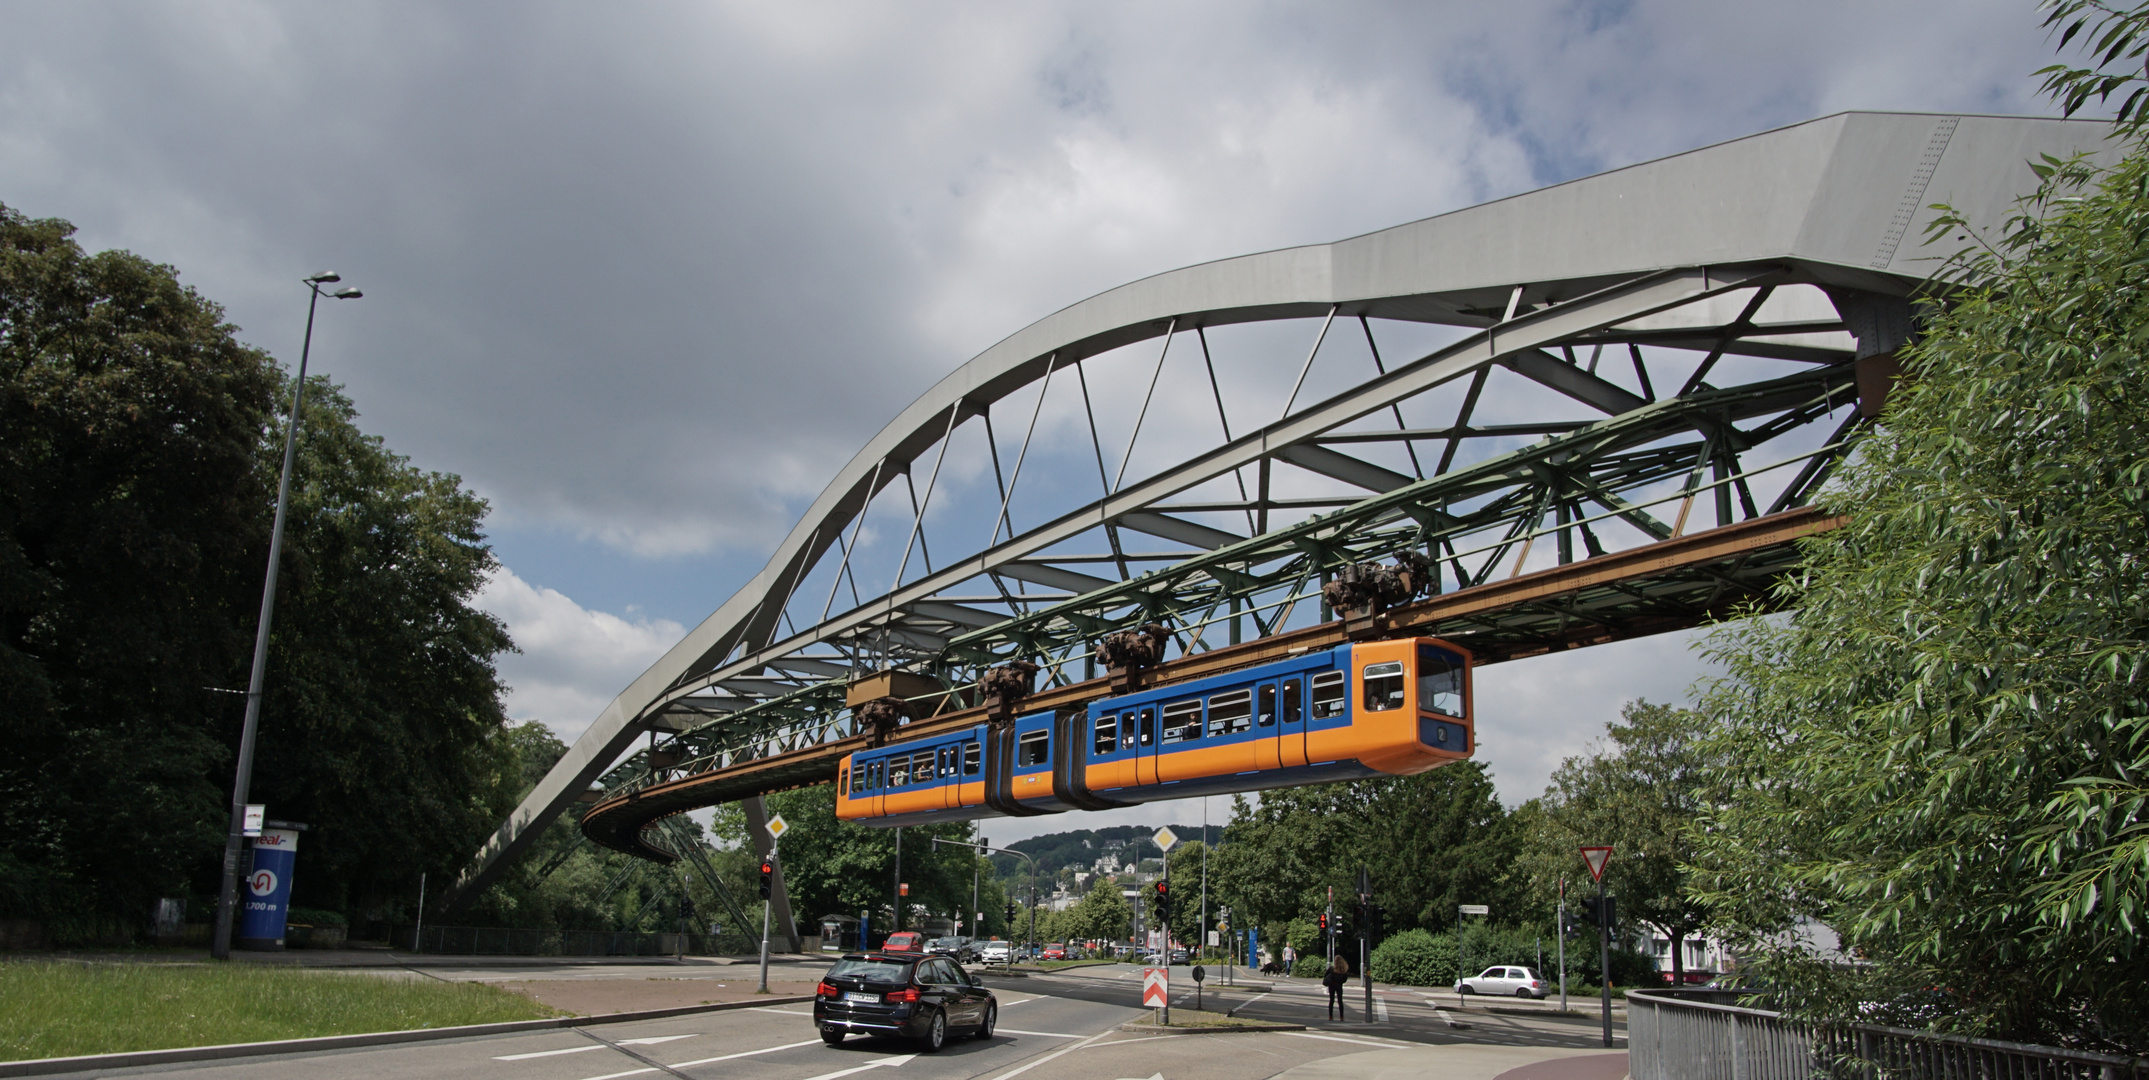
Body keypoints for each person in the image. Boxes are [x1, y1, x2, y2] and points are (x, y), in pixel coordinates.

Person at [1322, 954, 1350, 1020]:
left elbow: (1325, 975)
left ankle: (1330, 1016)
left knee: (1331, 1000)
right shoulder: (1344, 971)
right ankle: (1341, 1016)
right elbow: (1344, 979)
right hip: (1339, 986)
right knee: (1340, 1001)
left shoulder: (1332, 969)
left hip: (1332, 985)